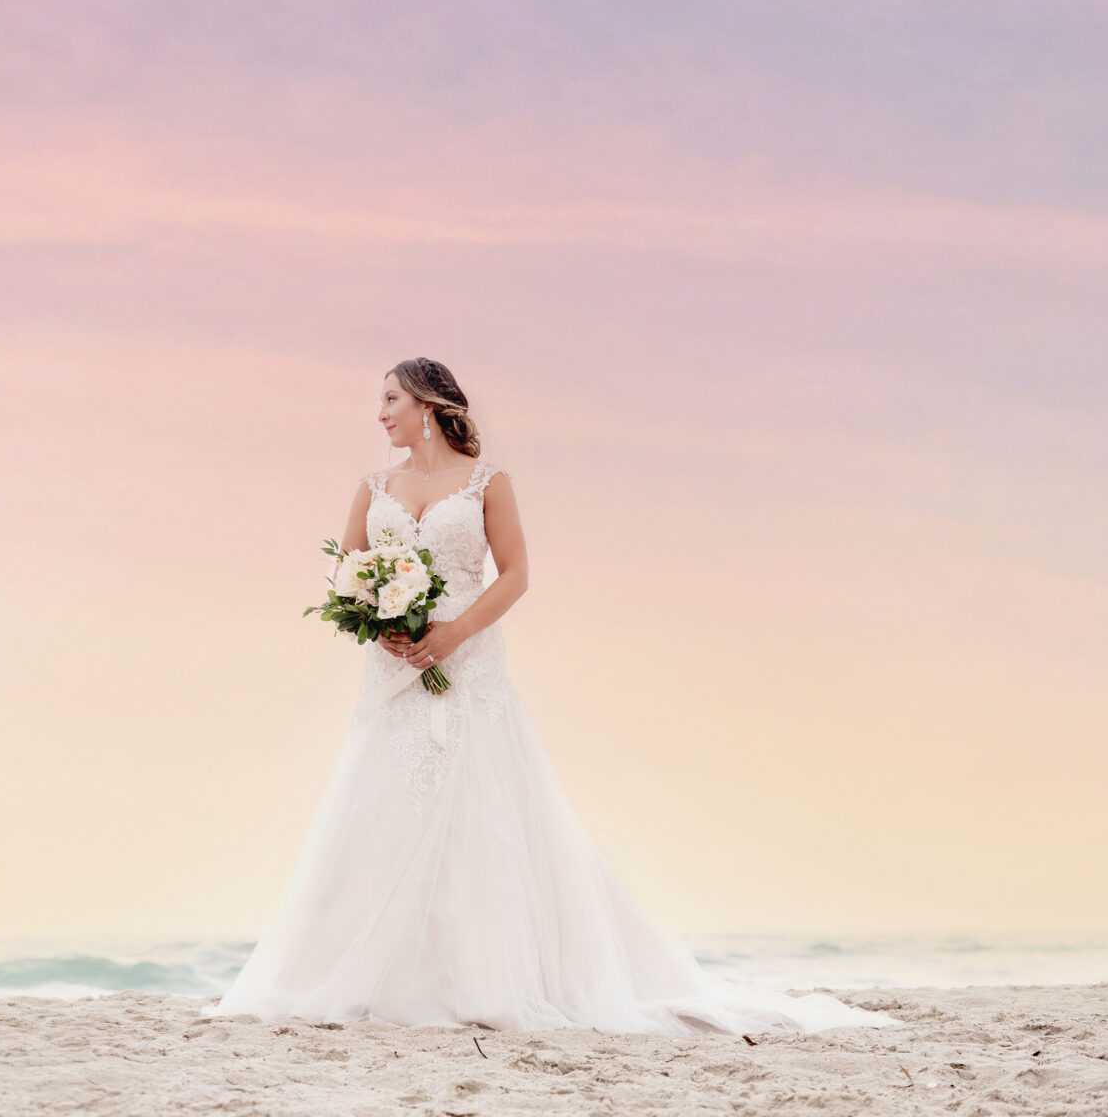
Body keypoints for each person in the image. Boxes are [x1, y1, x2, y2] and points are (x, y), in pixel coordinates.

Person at [207, 358, 891, 1033]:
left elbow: (515, 574)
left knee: (479, 809)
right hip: (394, 674)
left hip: (467, 667)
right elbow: (346, 573)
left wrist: (453, 634)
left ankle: (477, 977)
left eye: (389, 399)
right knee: (383, 803)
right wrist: (380, 624)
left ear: (427, 405)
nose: (379, 413)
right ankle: (369, 975)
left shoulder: (486, 483)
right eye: (378, 402)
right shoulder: (371, 487)